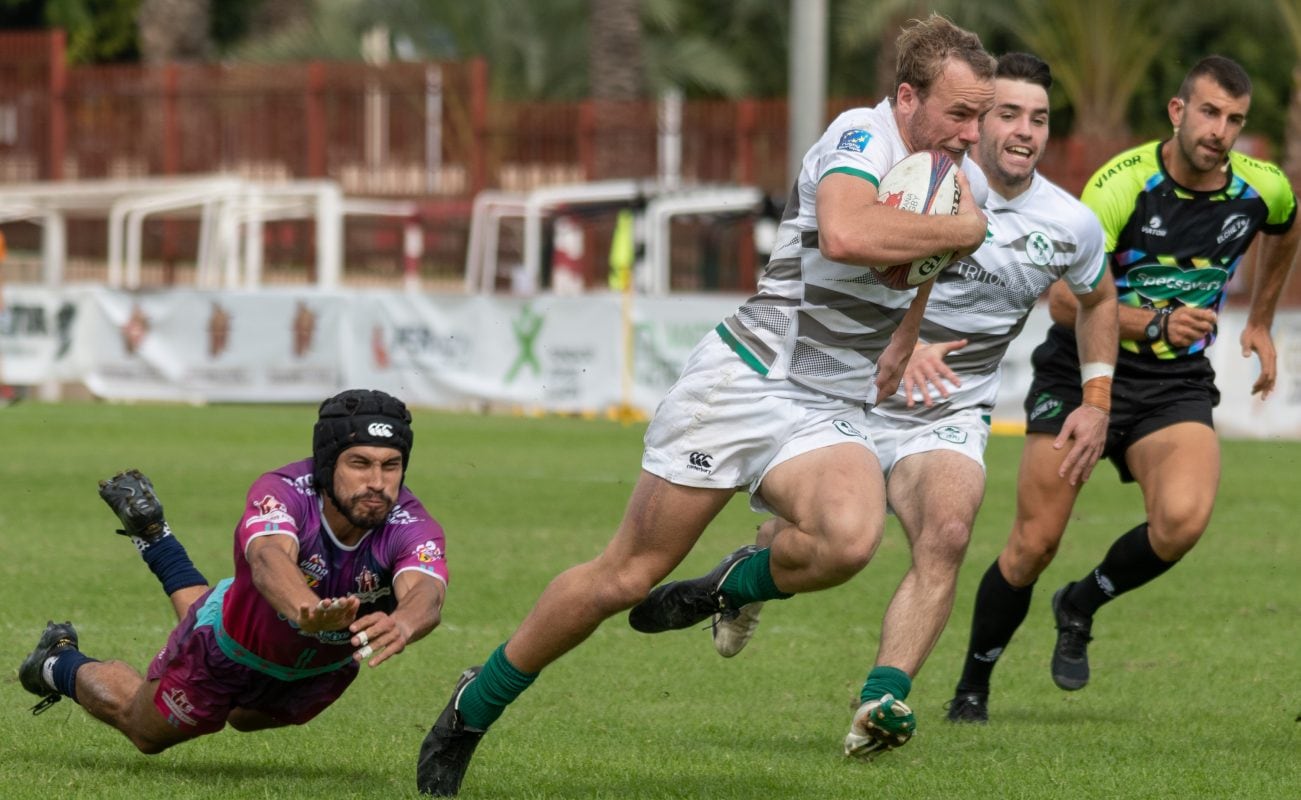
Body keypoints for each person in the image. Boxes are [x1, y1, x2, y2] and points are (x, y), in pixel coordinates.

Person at [416, 14, 994, 797]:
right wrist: (963, 229)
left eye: (978, 115)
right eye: (957, 113)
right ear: (905, 98)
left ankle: (731, 584)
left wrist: (905, 336)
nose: (970, 132)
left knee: (850, 540)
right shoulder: (860, 138)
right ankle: (472, 706)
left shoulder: (958, 181)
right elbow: (848, 232)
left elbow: (921, 258)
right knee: (623, 576)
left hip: (824, 403)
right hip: (742, 382)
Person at [634, 52, 1119, 757]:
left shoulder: (1068, 222)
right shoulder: (910, 175)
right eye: (1005, 114)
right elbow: (851, 251)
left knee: (947, 534)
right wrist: (902, 335)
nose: (1021, 131)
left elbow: (1098, 297)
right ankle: (743, 583)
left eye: (1037, 119)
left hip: (950, 413)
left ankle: (880, 702)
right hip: (851, 395)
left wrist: (1097, 397)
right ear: (977, 121)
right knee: (819, 541)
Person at [946, 54, 1300, 722]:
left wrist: (1257, 321)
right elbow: (1062, 299)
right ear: (1176, 111)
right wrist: (1158, 319)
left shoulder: (1261, 187)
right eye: (1207, 113)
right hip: (1083, 372)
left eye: (1233, 120)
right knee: (1032, 545)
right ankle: (972, 684)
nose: (1219, 131)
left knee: (1182, 521)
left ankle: (1080, 603)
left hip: (1174, 383)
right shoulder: (1120, 186)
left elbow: (1283, 226)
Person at [18, 388, 449, 753]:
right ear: (328, 462)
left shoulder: (411, 523)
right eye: (360, 463)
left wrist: (404, 624)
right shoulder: (281, 492)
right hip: (225, 652)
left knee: (243, 718)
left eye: (390, 465)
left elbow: (425, 591)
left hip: (316, 671)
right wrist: (305, 610)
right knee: (145, 728)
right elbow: (266, 559)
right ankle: (56, 663)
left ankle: (155, 537)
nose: (377, 481)